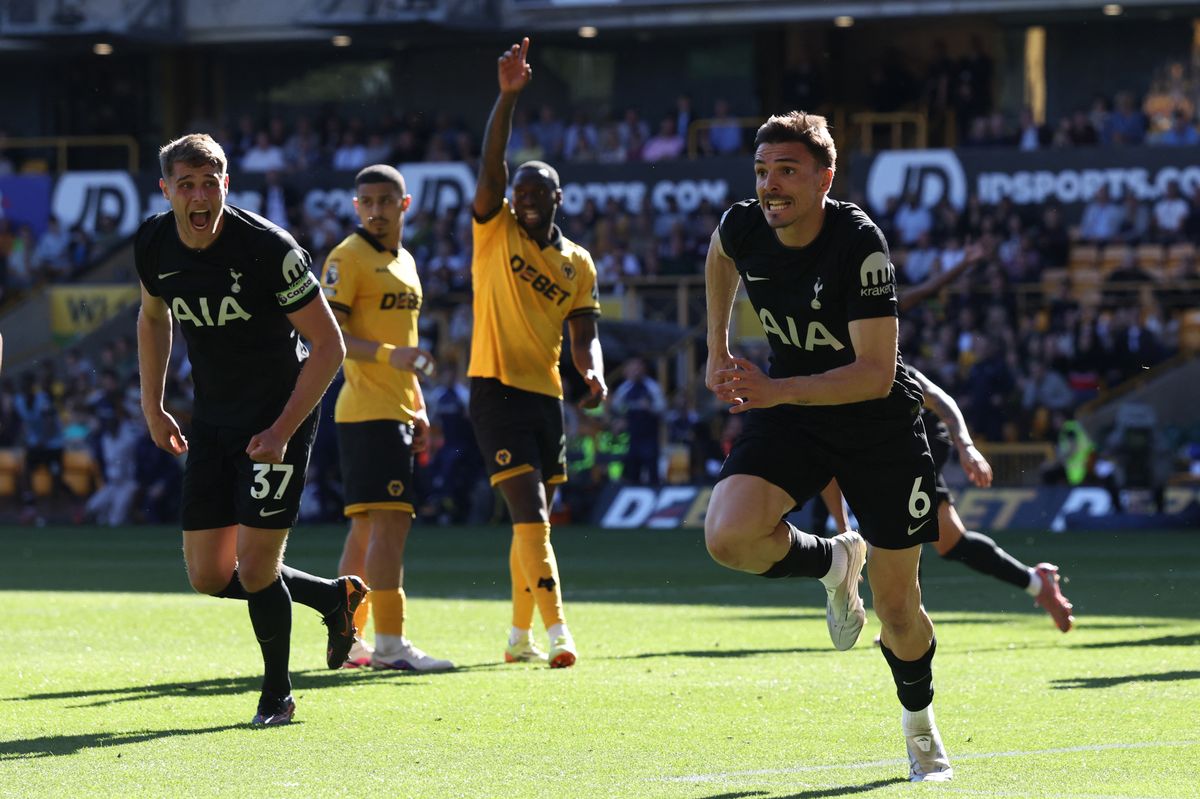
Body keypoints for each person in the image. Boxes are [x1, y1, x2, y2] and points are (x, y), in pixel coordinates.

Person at [704, 111, 952, 782]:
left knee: (900, 607)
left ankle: (920, 724)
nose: (770, 186)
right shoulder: (745, 225)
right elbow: (719, 252)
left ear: (825, 178)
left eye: (786, 170)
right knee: (729, 537)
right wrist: (717, 346)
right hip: (794, 406)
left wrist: (776, 390)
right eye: (761, 171)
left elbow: (873, 374)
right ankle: (834, 563)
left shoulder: (859, 243)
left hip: (875, 422)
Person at [135, 133, 365, 727]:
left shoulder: (269, 249)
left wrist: (284, 428)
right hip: (211, 421)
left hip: (276, 417)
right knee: (209, 575)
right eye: (186, 184)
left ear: (226, 185)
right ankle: (331, 597)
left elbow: (329, 346)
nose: (199, 195)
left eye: (210, 183)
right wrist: (154, 405)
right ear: (166, 190)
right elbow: (154, 315)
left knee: (257, 569)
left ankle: (277, 697)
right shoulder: (153, 242)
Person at [470, 38, 607, 668]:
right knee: (531, 512)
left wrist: (592, 372)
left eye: (534, 191)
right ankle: (559, 633)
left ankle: (516, 637)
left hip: (546, 395)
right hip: (493, 387)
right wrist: (507, 96)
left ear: (556, 198)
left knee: (535, 516)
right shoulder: (493, 229)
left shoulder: (578, 262)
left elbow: (585, 333)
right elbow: (493, 162)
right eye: (516, 189)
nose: (521, 197)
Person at [824, 365, 1075, 633]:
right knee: (952, 543)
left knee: (901, 515)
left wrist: (967, 448)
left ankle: (906, 618)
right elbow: (830, 469)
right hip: (890, 455)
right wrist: (844, 533)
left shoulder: (880, 365)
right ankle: (1037, 582)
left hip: (925, 437)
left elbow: (941, 399)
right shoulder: (826, 401)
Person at [321, 164, 454, 672]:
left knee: (364, 534)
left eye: (385, 201)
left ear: (405, 204)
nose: (375, 211)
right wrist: (388, 358)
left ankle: (349, 640)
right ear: (356, 207)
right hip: (367, 410)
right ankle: (392, 644)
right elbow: (330, 335)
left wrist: (418, 405)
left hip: (395, 409)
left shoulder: (407, 262)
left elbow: (409, 349)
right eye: (366, 202)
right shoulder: (347, 257)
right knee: (391, 526)